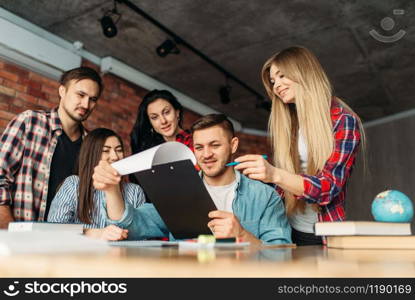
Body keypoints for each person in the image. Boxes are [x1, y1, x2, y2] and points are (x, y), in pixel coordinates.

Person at [233, 46, 364, 246]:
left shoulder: (343, 121)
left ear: (303, 72)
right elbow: (282, 186)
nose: (276, 85)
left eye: (282, 75)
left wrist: (274, 174)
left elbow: (328, 188)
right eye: (273, 81)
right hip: (287, 229)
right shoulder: (290, 124)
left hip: (325, 235)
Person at [93, 114, 292, 245]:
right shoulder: (178, 192)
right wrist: (111, 190)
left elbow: (281, 254)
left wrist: (242, 235)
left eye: (215, 145)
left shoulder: (265, 197)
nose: (206, 154)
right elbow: (132, 224)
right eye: (199, 147)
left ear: (233, 145)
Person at [0, 67, 103, 228]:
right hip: (20, 235)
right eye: (80, 95)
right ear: (62, 91)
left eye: (93, 99)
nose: (86, 104)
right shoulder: (30, 122)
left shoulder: (90, 145)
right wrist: (7, 230)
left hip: (66, 241)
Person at [48, 128, 145, 240]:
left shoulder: (135, 191)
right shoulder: (74, 185)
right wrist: (92, 233)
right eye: (106, 151)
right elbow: (54, 228)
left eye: (119, 150)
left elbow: (143, 235)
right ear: (91, 154)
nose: (115, 157)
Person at [130, 89, 193, 153]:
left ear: (177, 112)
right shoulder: (150, 152)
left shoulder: (195, 142)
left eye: (166, 112)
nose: (163, 121)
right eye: (154, 117)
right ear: (150, 123)